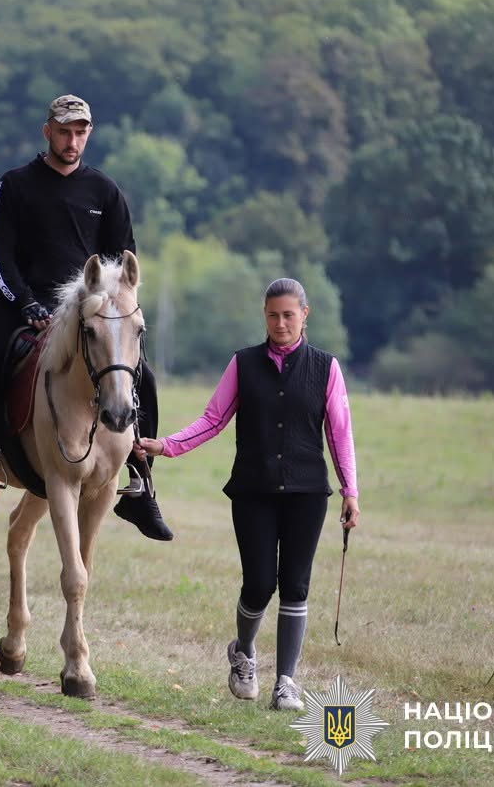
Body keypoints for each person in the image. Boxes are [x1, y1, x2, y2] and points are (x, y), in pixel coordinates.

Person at [0, 94, 171, 541]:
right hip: (20, 306)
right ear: (48, 132)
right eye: (64, 131)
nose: (72, 140)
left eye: (80, 132)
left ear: (89, 134)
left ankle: (141, 482)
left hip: (87, 311)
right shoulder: (14, 184)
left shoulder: (105, 191)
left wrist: (107, 305)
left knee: (143, 377)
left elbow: (122, 260)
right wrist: (24, 302)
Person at [134, 278, 360, 711]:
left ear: (305, 315)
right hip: (253, 491)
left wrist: (351, 490)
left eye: (289, 315)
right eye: (273, 315)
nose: (280, 323)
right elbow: (213, 419)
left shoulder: (326, 368)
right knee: (258, 585)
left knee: (295, 586)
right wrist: (166, 445)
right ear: (264, 315)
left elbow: (339, 432)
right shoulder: (243, 364)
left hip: (307, 493)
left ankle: (286, 683)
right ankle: (244, 652)